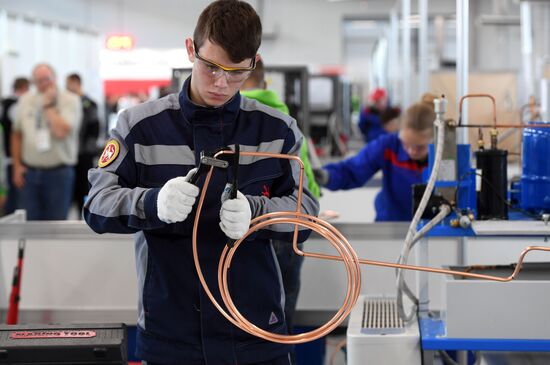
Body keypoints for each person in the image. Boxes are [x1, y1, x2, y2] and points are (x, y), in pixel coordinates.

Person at [83, 1, 319, 364]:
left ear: (253, 64)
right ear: (191, 49)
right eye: (211, 67)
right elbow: (97, 203)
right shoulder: (140, 127)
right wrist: (152, 203)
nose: (222, 83)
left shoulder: (276, 131)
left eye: (237, 72)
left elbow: (306, 211)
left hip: (255, 331)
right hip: (172, 334)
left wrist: (257, 214)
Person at [240, 58, 321, 337]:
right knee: (280, 324)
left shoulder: (222, 116)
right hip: (286, 230)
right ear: (264, 83)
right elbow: (305, 178)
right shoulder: (284, 119)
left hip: (242, 231)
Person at [316, 96, 436, 221]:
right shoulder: (388, 145)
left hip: (437, 231)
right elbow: (353, 170)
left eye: (420, 146)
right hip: (391, 226)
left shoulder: (446, 158)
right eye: (406, 143)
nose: (412, 151)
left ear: (435, 140)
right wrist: (327, 176)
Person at [12, 64, 82, 220]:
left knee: (56, 226)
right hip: (29, 173)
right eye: (38, 81)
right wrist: (17, 165)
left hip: (59, 173)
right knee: (29, 225)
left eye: (46, 79)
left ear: (55, 78)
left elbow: (61, 132)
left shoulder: (70, 100)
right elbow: (17, 134)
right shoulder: (25, 100)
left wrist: (48, 105)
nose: (43, 84)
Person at [66, 73, 100, 215]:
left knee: (83, 189)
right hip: (69, 154)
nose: (67, 88)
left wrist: (88, 149)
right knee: (70, 191)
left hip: (84, 155)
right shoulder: (67, 104)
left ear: (76, 83)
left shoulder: (89, 104)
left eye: (69, 84)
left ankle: (85, 216)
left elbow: (94, 128)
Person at [1, 77, 30, 214]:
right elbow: (17, 133)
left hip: (7, 156)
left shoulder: (4, 103)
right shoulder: (18, 105)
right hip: (18, 158)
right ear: (25, 87)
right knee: (19, 200)